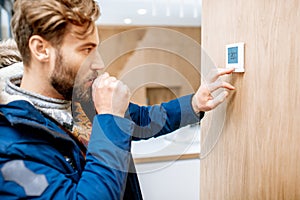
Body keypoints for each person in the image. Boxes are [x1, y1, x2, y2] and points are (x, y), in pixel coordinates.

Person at [0, 0, 235, 199]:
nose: (99, 63)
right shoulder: (9, 144)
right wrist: (109, 118)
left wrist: (194, 103)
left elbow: (143, 119)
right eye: (85, 49)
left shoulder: (85, 99)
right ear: (41, 49)